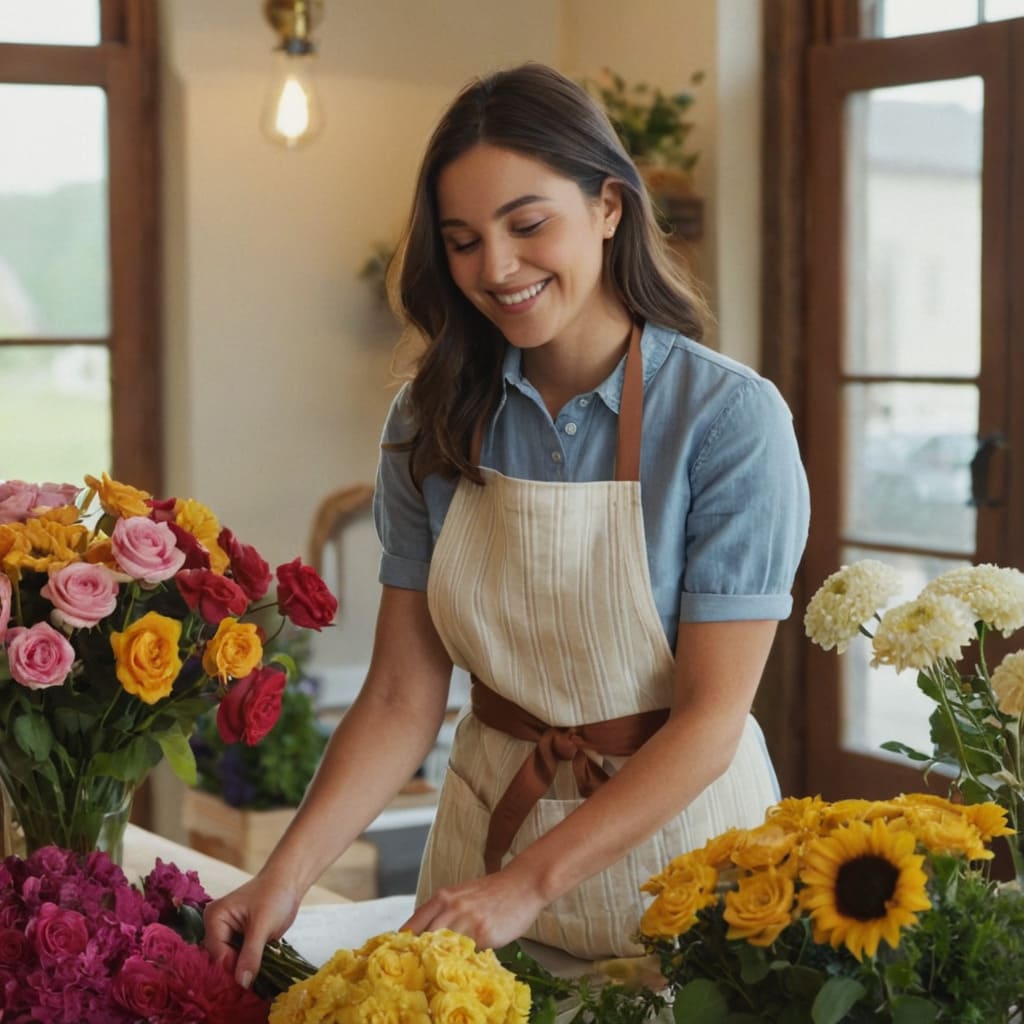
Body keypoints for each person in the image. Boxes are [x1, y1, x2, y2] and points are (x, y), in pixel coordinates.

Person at [204, 61, 810, 984]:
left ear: (609, 207)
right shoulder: (430, 419)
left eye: (529, 225)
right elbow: (405, 698)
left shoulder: (727, 421)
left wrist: (528, 885)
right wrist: (282, 877)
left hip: (690, 878)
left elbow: (709, 723)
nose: (496, 268)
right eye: (462, 240)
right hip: (480, 865)